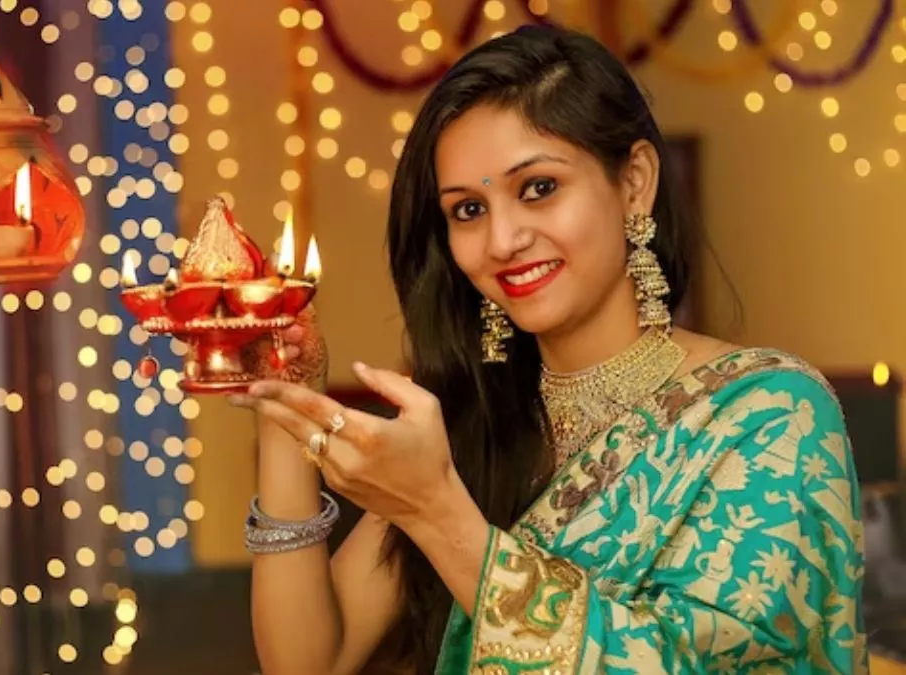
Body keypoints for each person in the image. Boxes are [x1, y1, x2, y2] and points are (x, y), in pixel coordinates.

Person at [229, 24, 866, 675]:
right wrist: (286, 404)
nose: (503, 239)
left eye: (538, 188)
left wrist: (438, 511)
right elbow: (307, 662)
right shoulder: (474, 428)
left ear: (635, 182)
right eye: (468, 210)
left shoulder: (770, 414)